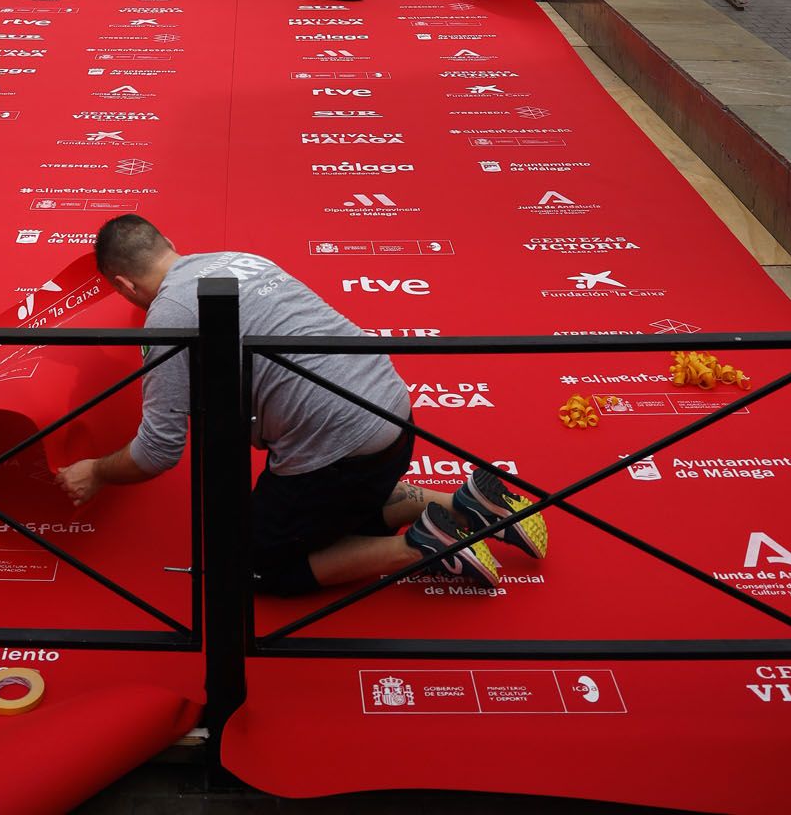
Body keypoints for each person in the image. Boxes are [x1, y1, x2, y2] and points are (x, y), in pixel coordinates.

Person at [56, 218, 548, 597]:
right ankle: (459, 504)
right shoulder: (239, 258)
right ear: (167, 246)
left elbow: (158, 451)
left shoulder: (171, 313)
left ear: (122, 285)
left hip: (340, 456)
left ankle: (424, 546)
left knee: (246, 565)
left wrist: (96, 471)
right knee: (333, 508)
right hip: (396, 419)